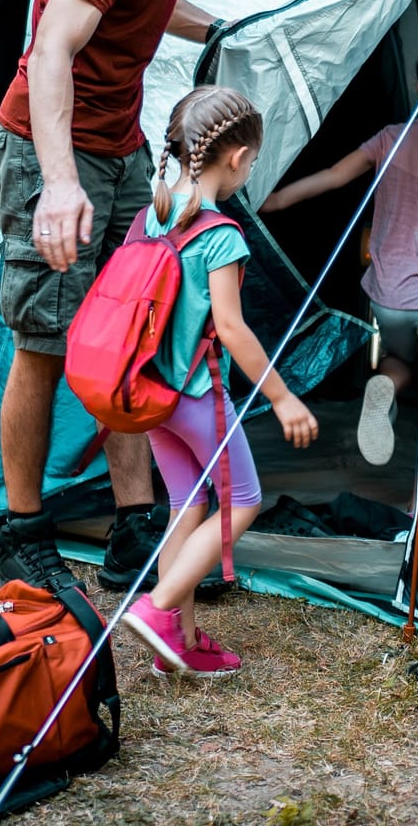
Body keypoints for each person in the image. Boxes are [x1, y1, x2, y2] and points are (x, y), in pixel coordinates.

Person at [0, 0, 306, 594]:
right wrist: (59, 186)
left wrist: (222, 31)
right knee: (45, 340)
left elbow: (143, 3)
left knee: (135, 324)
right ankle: (21, 533)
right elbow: (53, 50)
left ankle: (137, 527)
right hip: (46, 147)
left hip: (120, 145)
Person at [119, 87, 319, 677]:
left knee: (187, 501)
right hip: (198, 394)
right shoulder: (221, 234)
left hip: (148, 392)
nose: (249, 172)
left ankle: (175, 641)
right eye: (253, 162)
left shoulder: (150, 214)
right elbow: (230, 328)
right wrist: (282, 397)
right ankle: (158, 613)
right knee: (244, 500)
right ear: (235, 158)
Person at [259, 36, 418, 465]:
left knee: (399, 360)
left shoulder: (390, 138)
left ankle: (382, 387)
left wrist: (274, 201)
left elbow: (331, 177)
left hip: (387, 294)